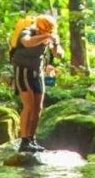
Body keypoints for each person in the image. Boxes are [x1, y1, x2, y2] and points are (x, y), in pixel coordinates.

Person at [9, 14, 62, 153]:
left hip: (37, 72)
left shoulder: (49, 36)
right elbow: (27, 42)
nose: (44, 33)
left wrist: (55, 44)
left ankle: (32, 139)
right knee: (29, 105)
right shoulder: (27, 32)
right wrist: (44, 37)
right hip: (23, 70)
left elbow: (58, 54)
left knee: (38, 107)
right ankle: (24, 140)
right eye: (42, 31)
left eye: (46, 32)